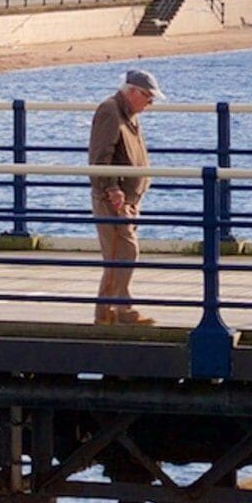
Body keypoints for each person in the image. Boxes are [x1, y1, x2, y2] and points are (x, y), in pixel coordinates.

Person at [88, 68, 159, 325]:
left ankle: (107, 313)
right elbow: (100, 157)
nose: (150, 102)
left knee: (117, 255)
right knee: (124, 252)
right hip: (113, 199)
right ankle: (121, 310)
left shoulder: (129, 113)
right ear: (131, 92)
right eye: (147, 96)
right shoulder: (110, 111)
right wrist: (113, 189)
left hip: (126, 199)